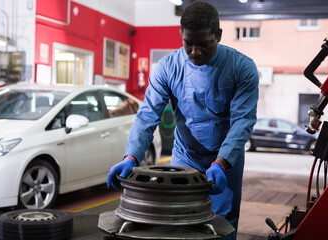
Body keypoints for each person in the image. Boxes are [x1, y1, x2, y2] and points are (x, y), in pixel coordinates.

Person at [107, 1, 259, 239]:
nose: (195, 52)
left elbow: (242, 121)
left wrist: (221, 163)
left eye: (204, 44)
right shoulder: (167, 68)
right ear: (181, 35)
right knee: (178, 223)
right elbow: (148, 114)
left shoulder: (242, 68)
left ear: (218, 35)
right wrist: (131, 156)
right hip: (185, 156)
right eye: (188, 43)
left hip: (225, 162)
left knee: (221, 227)